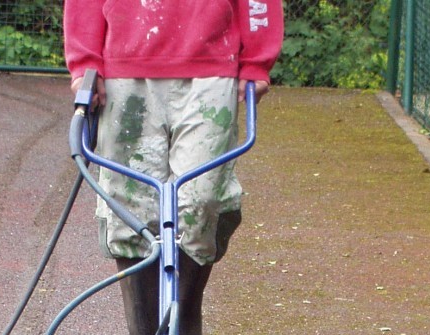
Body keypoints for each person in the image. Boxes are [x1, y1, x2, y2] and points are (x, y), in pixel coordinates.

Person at [64, 1, 284, 334]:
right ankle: (144, 327)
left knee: (203, 202)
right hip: (125, 67)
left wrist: (257, 58)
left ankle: (183, 319)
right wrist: (85, 62)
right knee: (129, 212)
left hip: (210, 66)